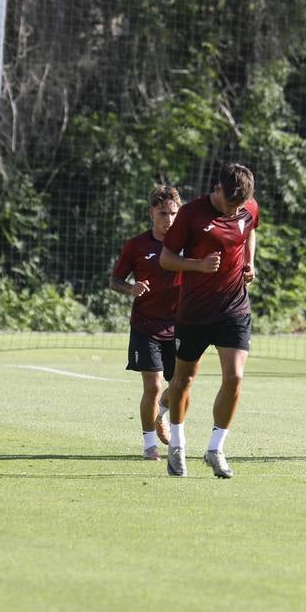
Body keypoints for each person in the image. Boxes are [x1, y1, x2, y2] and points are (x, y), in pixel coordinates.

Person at [158, 163, 258, 479]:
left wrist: (250, 262)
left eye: (239, 207)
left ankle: (216, 449)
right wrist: (198, 265)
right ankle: (177, 445)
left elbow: (250, 230)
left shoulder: (246, 206)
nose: (235, 212)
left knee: (236, 377)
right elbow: (166, 258)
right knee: (184, 380)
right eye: (230, 206)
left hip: (234, 308)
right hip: (195, 312)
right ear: (216, 190)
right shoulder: (191, 214)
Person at [109, 185, 182, 460]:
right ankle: (149, 446)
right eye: (163, 213)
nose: (169, 219)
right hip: (146, 326)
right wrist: (131, 289)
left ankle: (161, 414)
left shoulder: (186, 244)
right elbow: (114, 281)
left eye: (173, 213)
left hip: (180, 326)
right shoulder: (136, 245)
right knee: (153, 386)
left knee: (181, 386)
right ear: (152, 212)